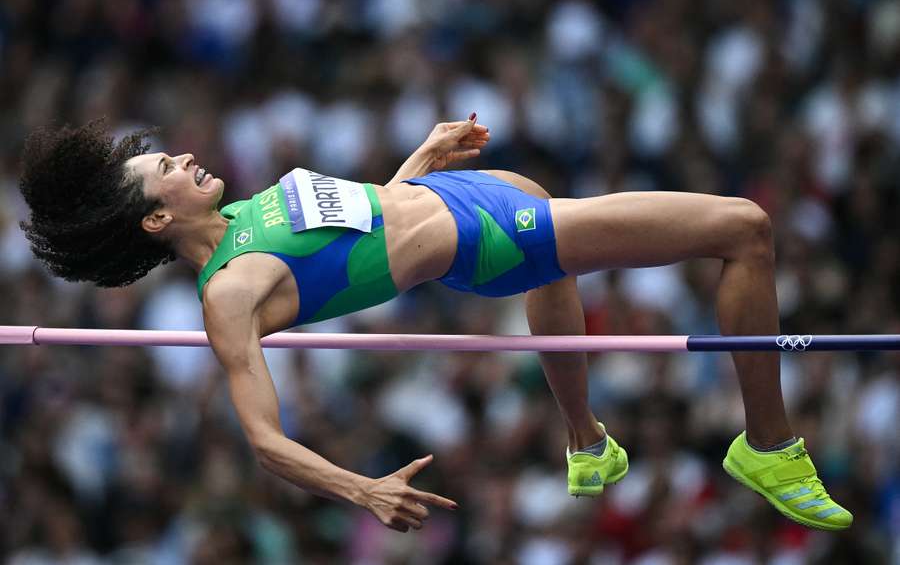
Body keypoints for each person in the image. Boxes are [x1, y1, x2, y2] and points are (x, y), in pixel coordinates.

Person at [18, 116, 852, 533]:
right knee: (744, 228)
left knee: (568, 268)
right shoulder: (229, 290)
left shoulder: (243, 214)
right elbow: (265, 440)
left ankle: (587, 444)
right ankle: (769, 448)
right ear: (156, 222)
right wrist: (360, 487)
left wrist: (417, 159)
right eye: (165, 170)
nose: (181, 158)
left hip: (461, 199)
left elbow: (364, 230)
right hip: (487, 241)